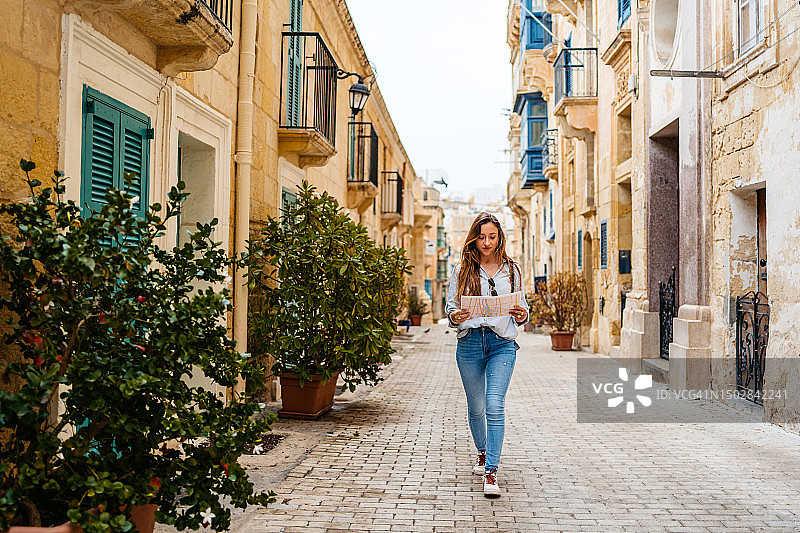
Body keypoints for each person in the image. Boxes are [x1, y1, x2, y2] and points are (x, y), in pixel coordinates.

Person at [445, 212, 528, 497]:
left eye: (492, 237)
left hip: (501, 343)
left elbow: (523, 307)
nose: (487, 242)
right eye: (481, 237)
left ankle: (491, 471)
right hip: (469, 343)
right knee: (476, 406)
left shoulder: (512, 270)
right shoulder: (462, 270)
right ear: (474, 237)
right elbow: (450, 309)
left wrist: (522, 313)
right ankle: (482, 451)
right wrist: (455, 316)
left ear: (500, 237)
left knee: (494, 404)